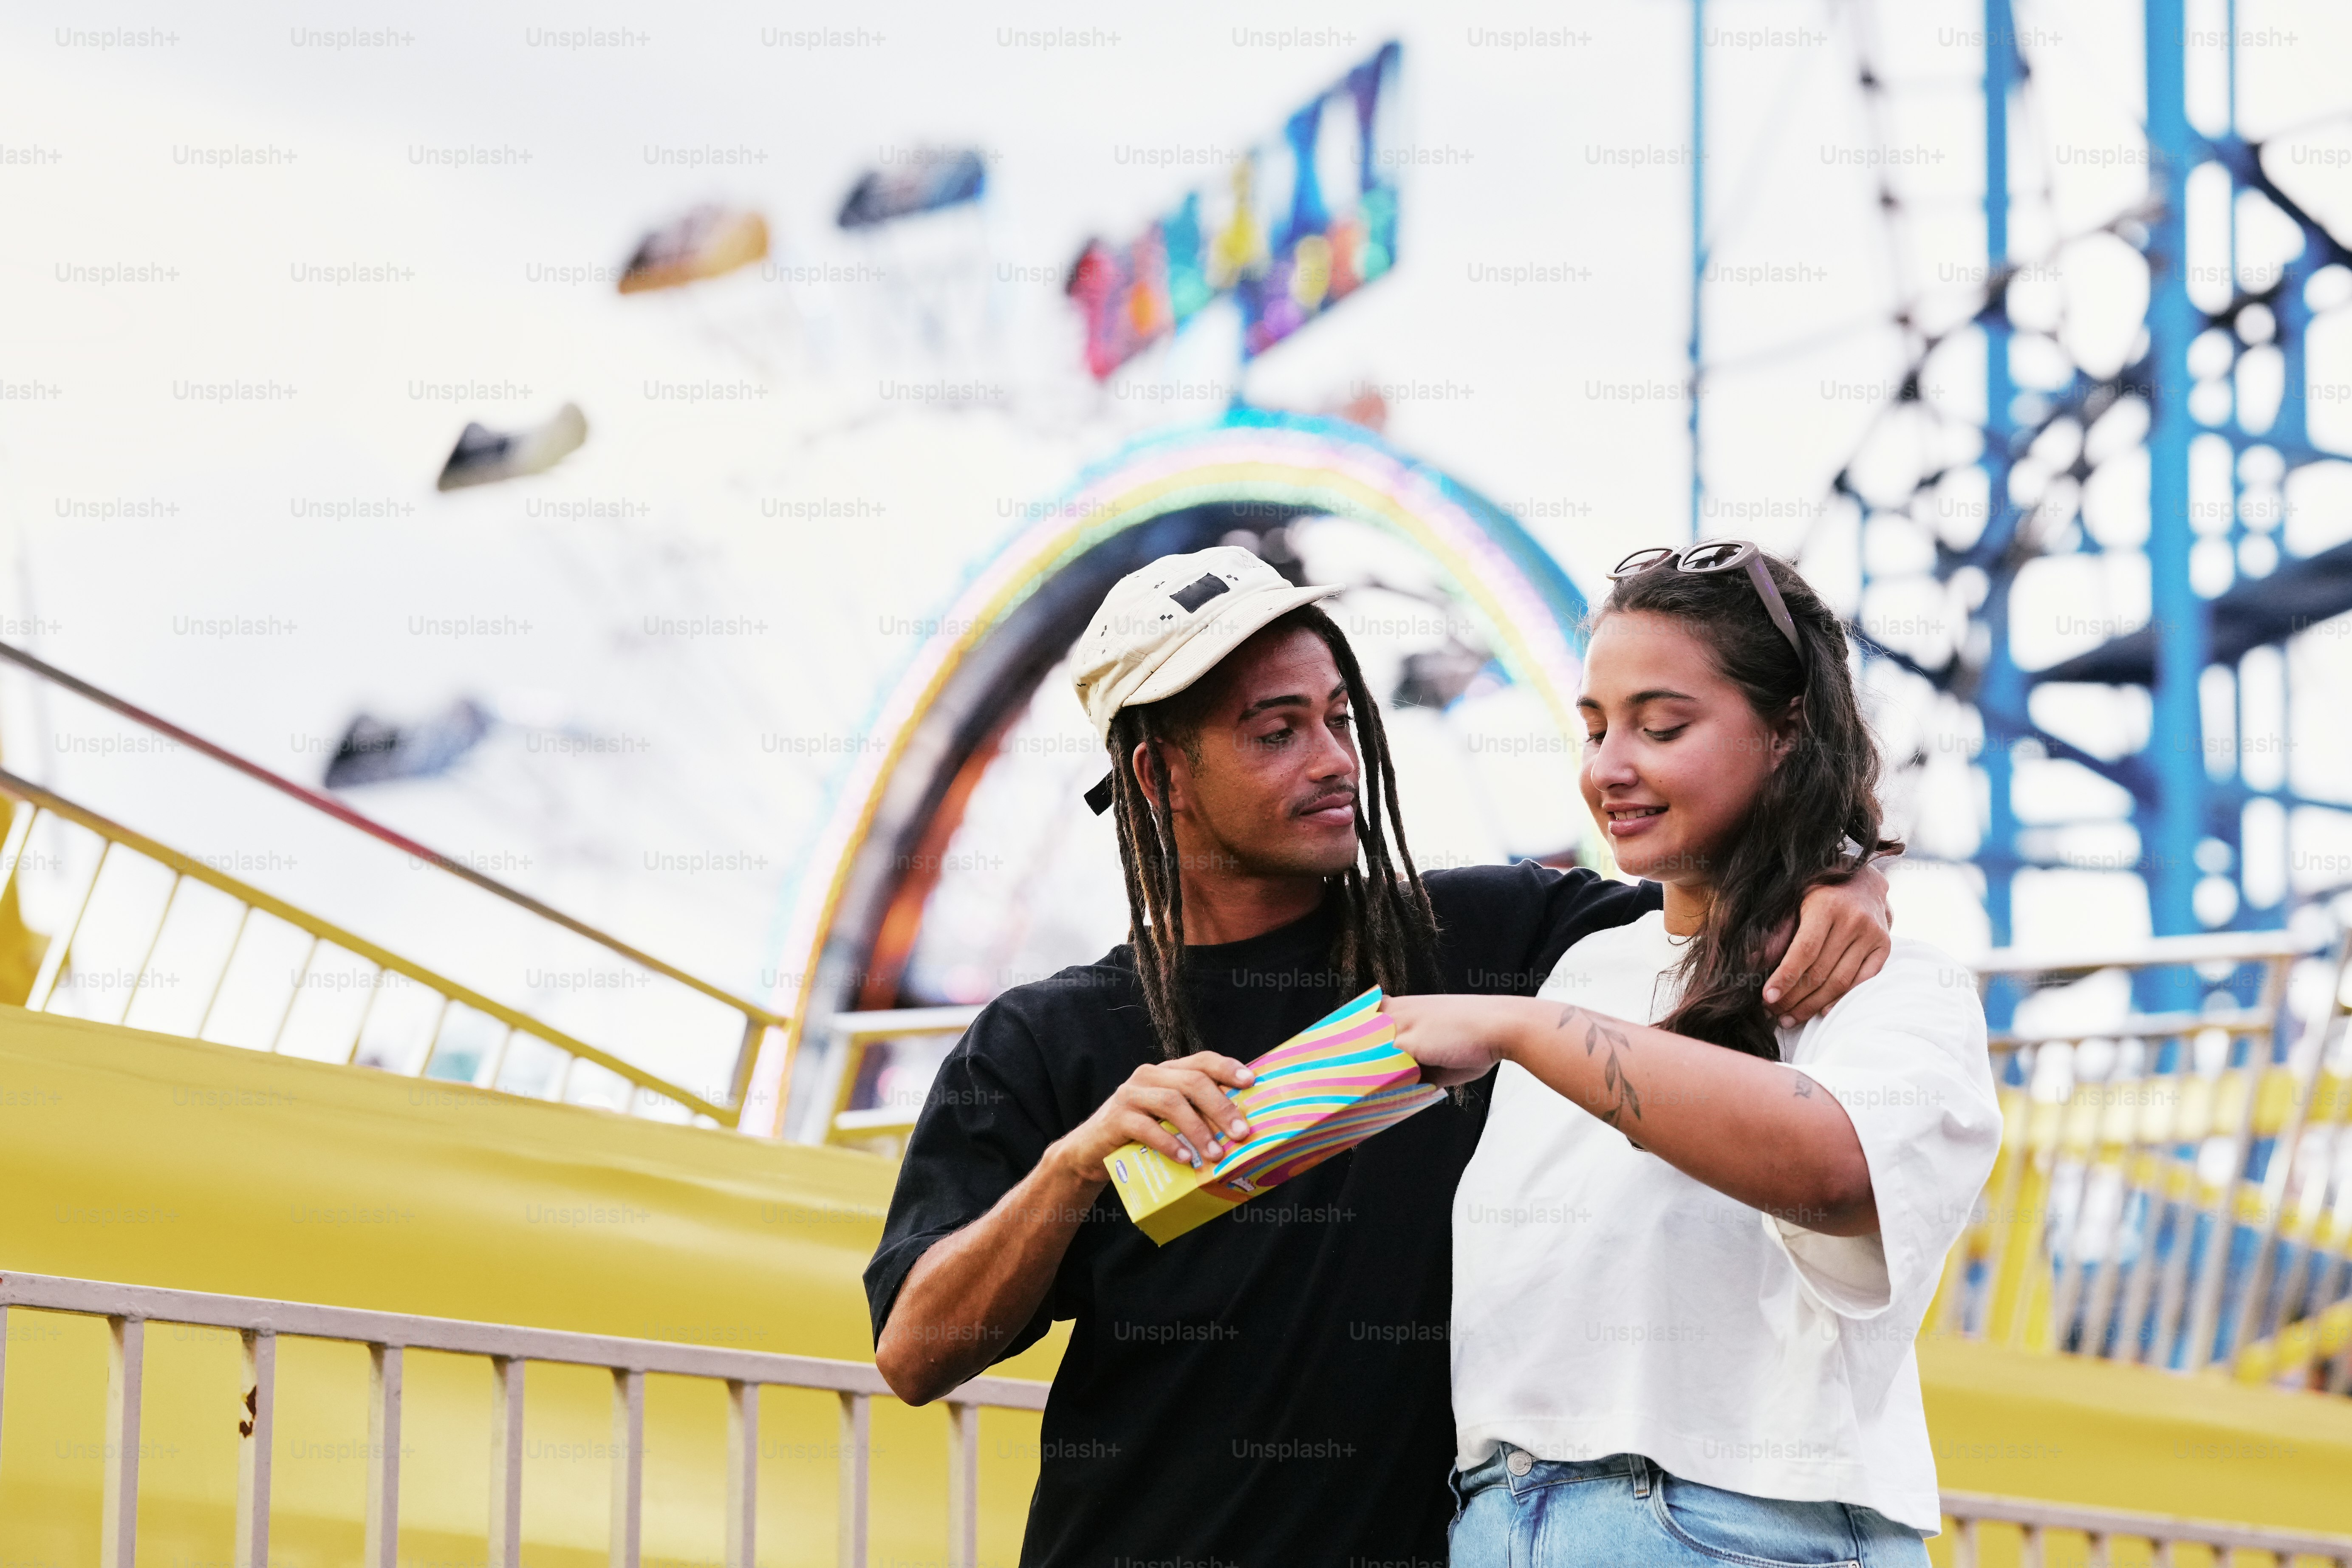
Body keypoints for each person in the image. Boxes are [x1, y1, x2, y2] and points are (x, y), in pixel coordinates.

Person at [864, 546, 1896, 1567]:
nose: (1333, 760)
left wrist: (1842, 876)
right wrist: (1074, 1165)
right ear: (1158, 772)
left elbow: (1715, 897)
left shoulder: (1492, 937)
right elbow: (915, 1353)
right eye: (1277, 733)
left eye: (1339, 718)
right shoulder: (1043, 1037)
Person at [1383, 541, 2001, 1567]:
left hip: (1731, 1524)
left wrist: (1517, 1030)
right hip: (1500, 1516)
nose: (1607, 767)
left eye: (1660, 726)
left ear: (1784, 731)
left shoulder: (1898, 983)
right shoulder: (1582, 966)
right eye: (1593, 728)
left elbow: (1830, 1168)